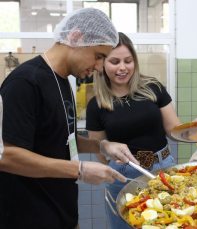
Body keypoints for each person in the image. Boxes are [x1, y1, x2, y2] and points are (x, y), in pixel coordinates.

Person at [0, 8, 139, 229]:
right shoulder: (26, 82)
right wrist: (80, 170)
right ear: (75, 38)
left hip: (61, 212)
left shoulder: (63, 80)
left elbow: (62, 138)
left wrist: (102, 146)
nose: (99, 67)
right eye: (98, 56)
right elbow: (9, 157)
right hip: (28, 216)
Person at [86, 32, 197, 229]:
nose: (123, 67)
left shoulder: (152, 88)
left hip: (163, 167)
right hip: (124, 175)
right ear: (102, 64)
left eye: (128, 60)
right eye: (114, 61)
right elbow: (101, 153)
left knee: (170, 222)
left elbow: (174, 130)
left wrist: (194, 127)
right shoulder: (96, 105)